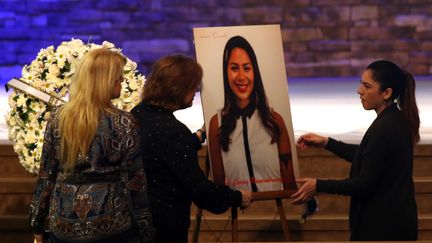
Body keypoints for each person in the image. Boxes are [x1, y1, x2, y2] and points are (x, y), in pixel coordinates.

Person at [29, 49, 154, 243]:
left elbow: (46, 177)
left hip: (63, 227)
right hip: (111, 229)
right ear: (105, 81)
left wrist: (37, 225)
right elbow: (136, 182)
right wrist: (146, 231)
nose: (122, 82)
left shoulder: (57, 119)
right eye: (118, 79)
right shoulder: (124, 123)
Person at [293, 60, 420, 241]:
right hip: (394, 223)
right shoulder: (395, 119)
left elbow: (364, 184)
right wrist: (326, 142)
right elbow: (369, 156)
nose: (359, 91)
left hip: (382, 229)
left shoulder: (384, 128)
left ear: (386, 93)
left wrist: (318, 185)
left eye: (367, 86)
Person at [131, 54, 252, 243]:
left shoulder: (137, 114)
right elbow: (199, 189)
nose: (196, 89)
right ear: (177, 88)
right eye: (192, 85)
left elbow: (160, 151)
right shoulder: (172, 131)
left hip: (136, 221)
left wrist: (198, 136)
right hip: (164, 226)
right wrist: (236, 197)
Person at [208, 35, 296, 192]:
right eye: (234, 68)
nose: (241, 77)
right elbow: (219, 188)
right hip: (237, 207)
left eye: (247, 68)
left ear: (255, 71)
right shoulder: (216, 124)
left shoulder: (275, 120)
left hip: (273, 208)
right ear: (225, 72)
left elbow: (290, 188)